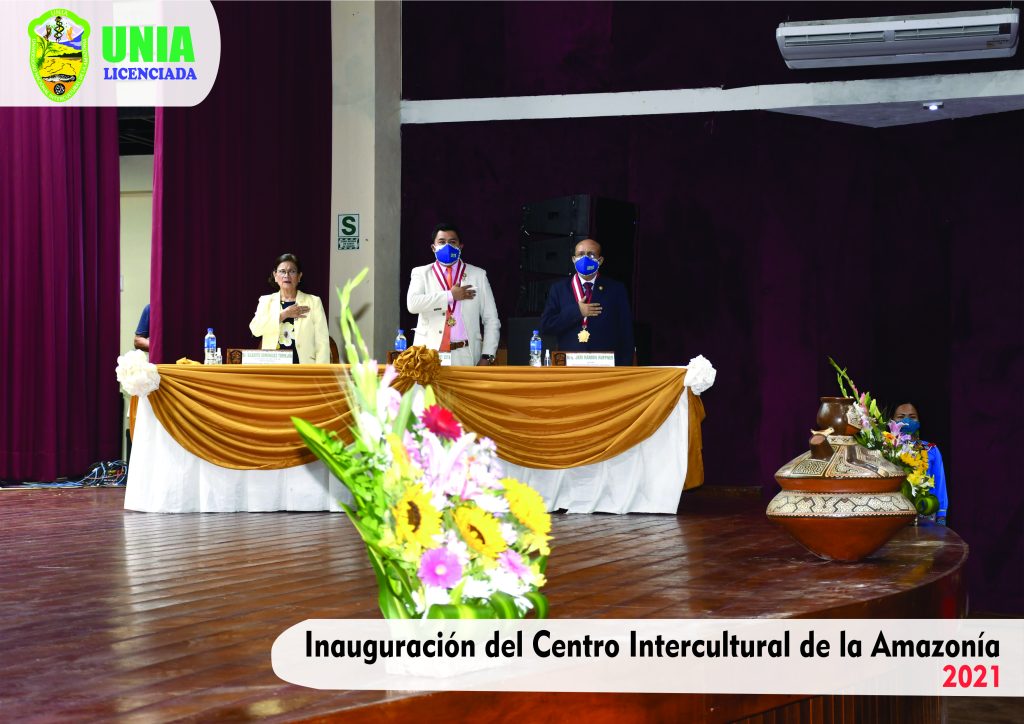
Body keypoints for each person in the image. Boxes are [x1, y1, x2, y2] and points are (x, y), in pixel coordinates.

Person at [406, 222, 499, 366]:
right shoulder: (421, 273)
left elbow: (491, 319)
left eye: (452, 242)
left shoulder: (478, 275)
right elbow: (413, 304)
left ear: (460, 246)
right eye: (442, 242)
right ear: (433, 247)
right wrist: (450, 296)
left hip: (466, 354)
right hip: (428, 355)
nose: (447, 246)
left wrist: (487, 356)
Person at [540, 237, 634, 366]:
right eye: (580, 254)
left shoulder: (616, 289)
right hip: (569, 365)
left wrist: (624, 368)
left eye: (591, 254)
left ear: (600, 260)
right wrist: (577, 312)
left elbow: (626, 332)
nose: (585, 259)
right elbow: (546, 326)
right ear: (574, 259)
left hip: (605, 366)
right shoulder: (559, 289)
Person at [249, 253, 330, 364]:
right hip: (272, 367)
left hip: (304, 367)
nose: (286, 275)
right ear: (275, 275)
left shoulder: (313, 302)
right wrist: (284, 314)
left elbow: (322, 343)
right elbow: (256, 330)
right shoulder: (266, 301)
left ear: (299, 276)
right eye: (282, 271)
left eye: (292, 271)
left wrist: (319, 372)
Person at [892, 402, 949, 525]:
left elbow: (940, 483)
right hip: (894, 512)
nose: (906, 421)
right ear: (892, 421)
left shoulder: (931, 449)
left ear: (919, 421)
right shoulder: (886, 448)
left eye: (912, 417)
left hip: (925, 512)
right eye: (901, 417)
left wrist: (941, 515)